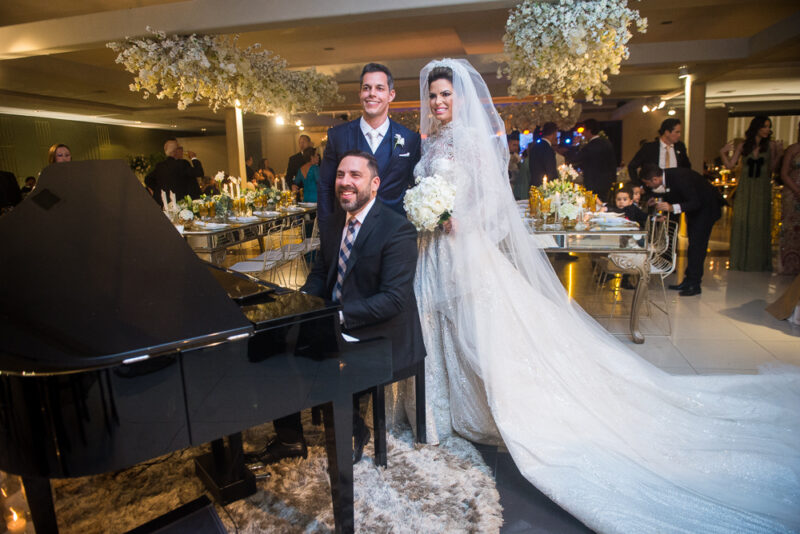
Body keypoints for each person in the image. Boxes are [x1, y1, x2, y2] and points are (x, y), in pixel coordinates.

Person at [403, 58, 799, 534]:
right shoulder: (431, 142)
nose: (438, 102)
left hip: (462, 246)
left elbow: (493, 197)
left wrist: (461, 221)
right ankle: (445, 408)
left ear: (460, 97)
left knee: (479, 327)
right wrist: (425, 211)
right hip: (431, 249)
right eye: (433, 95)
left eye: (446, 94)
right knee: (441, 323)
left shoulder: (469, 139)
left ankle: (488, 406)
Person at [258, 150, 425, 465]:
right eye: (340, 175)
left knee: (322, 359)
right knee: (273, 340)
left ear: (374, 184)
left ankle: (354, 430)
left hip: (380, 330)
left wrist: (337, 316)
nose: (345, 182)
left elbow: (393, 299)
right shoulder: (334, 222)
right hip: (334, 318)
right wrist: (302, 303)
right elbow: (321, 273)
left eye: (355, 175)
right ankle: (290, 439)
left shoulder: (397, 229)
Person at [319, 63, 421, 223]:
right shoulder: (337, 136)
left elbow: (415, 188)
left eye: (379, 88)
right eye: (366, 88)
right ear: (360, 94)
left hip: (393, 229)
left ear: (391, 95)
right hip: (348, 229)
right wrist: (327, 231)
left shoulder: (410, 139)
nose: (372, 93)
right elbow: (325, 187)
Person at [640, 162, 722, 296]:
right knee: (693, 245)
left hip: (707, 209)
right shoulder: (668, 177)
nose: (647, 186)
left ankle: (694, 284)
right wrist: (657, 199)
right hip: (697, 211)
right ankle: (688, 280)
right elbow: (677, 194)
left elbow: (695, 202)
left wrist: (672, 207)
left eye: (647, 183)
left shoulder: (680, 178)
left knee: (697, 246)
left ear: (655, 179)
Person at [720, 116, 783, 271]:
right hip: (745, 188)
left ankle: (758, 261)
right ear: (757, 127)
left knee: (760, 221)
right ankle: (741, 260)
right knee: (743, 220)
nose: (767, 130)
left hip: (761, 188)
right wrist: (723, 153)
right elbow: (730, 165)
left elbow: (773, 169)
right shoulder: (744, 145)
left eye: (769, 127)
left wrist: (779, 154)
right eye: (764, 126)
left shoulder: (771, 146)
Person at [628, 118, 691, 183]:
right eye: (677, 132)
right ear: (667, 132)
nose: (679, 135)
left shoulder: (680, 147)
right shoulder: (649, 148)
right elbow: (632, 166)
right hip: (653, 187)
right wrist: (638, 185)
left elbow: (687, 168)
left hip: (675, 187)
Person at [145, 139, 203, 207]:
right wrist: (194, 158)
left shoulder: (160, 166)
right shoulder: (183, 164)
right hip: (182, 203)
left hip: (167, 204)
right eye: (180, 148)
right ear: (175, 151)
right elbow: (199, 172)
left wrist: (161, 189)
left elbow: (147, 179)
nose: (182, 150)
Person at [569, 118, 616, 201]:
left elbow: (574, 159)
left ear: (589, 131)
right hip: (606, 182)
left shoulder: (590, 146)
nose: (582, 133)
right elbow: (613, 163)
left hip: (592, 183)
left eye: (584, 130)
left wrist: (574, 145)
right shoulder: (607, 143)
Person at [778, 122, 800, 274]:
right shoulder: (793, 149)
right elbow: (784, 173)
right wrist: (797, 190)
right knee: (791, 227)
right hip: (792, 193)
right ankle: (790, 264)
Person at [528, 122, 558, 187]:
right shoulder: (548, 149)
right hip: (544, 186)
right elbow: (551, 170)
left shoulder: (534, 147)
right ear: (554, 134)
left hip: (533, 184)